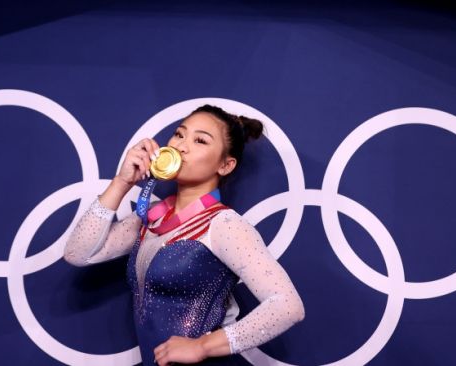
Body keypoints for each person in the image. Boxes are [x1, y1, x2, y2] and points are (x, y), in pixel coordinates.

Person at [63, 105, 305, 365]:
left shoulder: (223, 224)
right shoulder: (151, 219)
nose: (181, 146)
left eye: (200, 140)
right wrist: (122, 182)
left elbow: (288, 306)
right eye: (179, 134)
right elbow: (77, 253)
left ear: (225, 165)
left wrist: (204, 346)